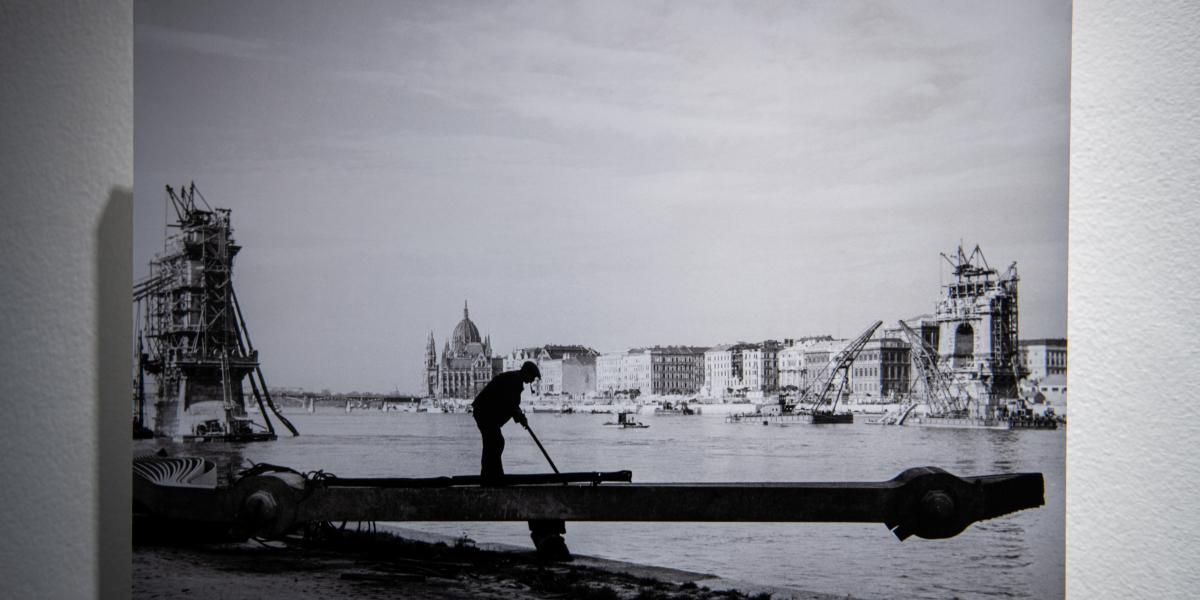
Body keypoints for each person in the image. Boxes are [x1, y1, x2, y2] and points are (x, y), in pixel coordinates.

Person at [471, 361, 540, 480]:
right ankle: (491, 477)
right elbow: (510, 403)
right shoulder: (514, 381)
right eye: (532, 377)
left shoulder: (515, 379)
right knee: (495, 442)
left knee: (494, 443)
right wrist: (520, 417)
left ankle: (492, 475)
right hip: (485, 413)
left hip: (486, 413)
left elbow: (512, 404)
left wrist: (520, 417)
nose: (533, 380)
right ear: (526, 372)